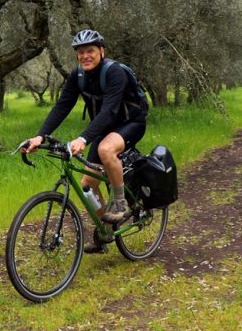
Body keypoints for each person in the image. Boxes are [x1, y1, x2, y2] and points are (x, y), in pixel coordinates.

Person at [23, 29, 149, 253]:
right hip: (104, 127)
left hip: (131, 123)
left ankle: (120, 201)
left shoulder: (114, 73)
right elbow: (62, 106)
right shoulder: (77, 76)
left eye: (90, 50)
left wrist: (83, 138)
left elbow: (109, 110)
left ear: (101, 51)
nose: (85, 56)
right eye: (80, 52)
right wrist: (40, 135)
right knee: (87, 186)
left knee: (106, 149)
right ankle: (106, 230)